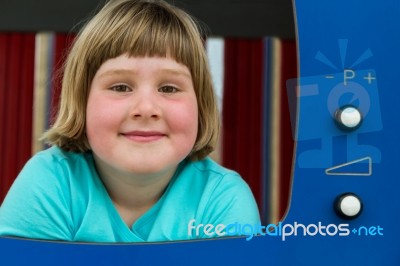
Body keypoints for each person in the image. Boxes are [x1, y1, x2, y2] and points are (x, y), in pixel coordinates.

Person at [0, 0, 260, 242]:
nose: (146, 109)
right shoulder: (50, 182)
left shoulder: (221, 199)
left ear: (201, 108)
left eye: (169, 89)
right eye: (121, 87)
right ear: (82, 102)